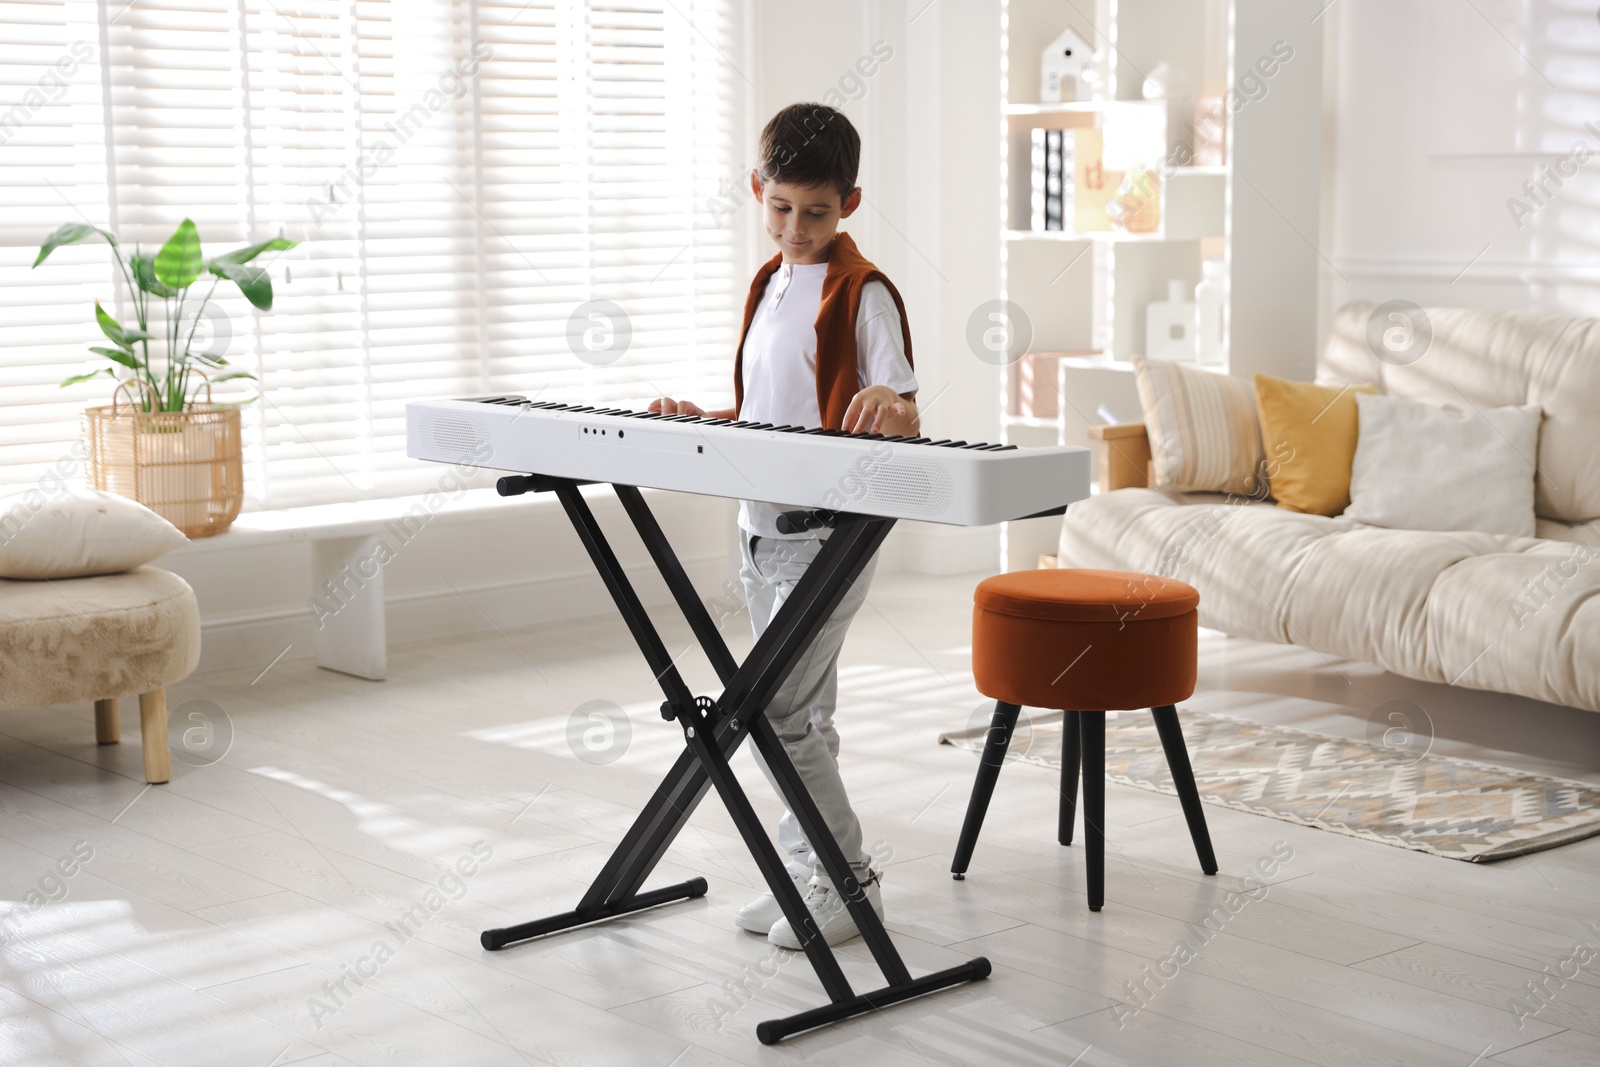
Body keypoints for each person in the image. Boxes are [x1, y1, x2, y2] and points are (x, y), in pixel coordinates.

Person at [649, 101, 918, 949]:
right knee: (806, 714)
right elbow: (773, 412)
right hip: (758, 528)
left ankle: (851, 883)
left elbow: (902, 409)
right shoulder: (768, 285)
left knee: (777, 713)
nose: (796, 229)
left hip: (825, 535)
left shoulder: (864, 292)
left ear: (851, 203)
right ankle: (813, 876)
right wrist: (708, 416)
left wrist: (888, 403)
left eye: (817, 212)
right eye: (780, 208)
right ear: (756, 189)